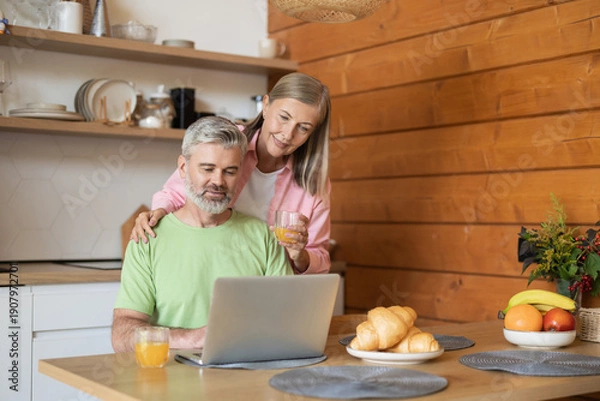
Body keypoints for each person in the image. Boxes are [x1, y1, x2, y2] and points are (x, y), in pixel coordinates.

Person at [112, 117, 293, 352]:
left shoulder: (263, 237)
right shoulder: (147, 239)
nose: (218, 181)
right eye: (207, 169)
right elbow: (122, 335)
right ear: (183, 168)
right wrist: (192, 339)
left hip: (245, 378)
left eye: (229, 171)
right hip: (169, 381)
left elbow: (289, 320)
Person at [130, 72, 332, 275]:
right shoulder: (229, 143)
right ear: (266, 105)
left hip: (272, 286)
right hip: (208, 268)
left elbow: (320, 258)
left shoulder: (313, 182)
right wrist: (155, 215)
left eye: (303, 128)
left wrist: (300, 255)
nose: (288, 134)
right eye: (284, 117)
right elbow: (173, 195)